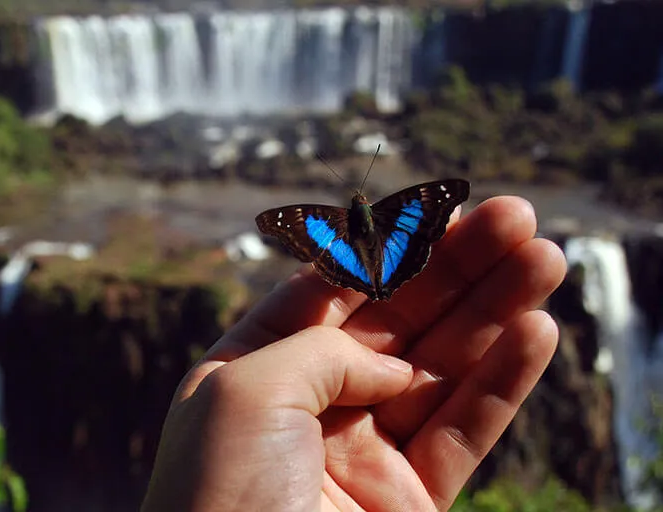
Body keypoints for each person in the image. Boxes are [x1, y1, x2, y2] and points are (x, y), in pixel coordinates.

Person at [141, 196, 567, 512]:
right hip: (391, 254)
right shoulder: (397, 208)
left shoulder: (323, 221)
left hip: (352, 261)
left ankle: (370, 275)